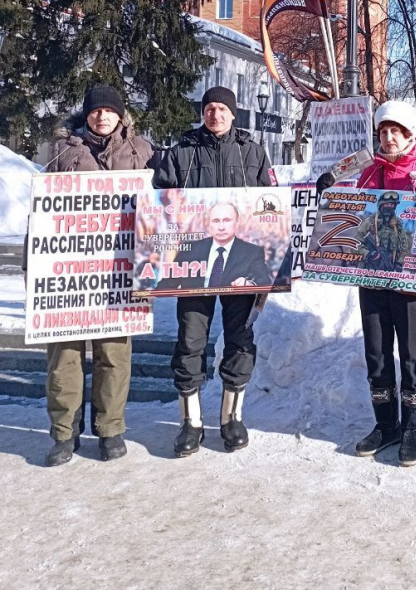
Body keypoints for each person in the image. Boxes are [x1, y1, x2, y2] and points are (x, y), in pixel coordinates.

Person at [316, 100, 416, 467]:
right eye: (382, 132)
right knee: (377, 353)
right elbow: (352, 213)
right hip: (371, 275)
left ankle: (412, 430)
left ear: (409, 134)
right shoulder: (368, 169)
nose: (387, 138)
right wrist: (332, 191)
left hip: (413, 278)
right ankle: (386, 425)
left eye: (394, 132)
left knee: (413, 356)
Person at [150, 87, 273, 457]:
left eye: (222, 109)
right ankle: (192, 422)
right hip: (192, 261)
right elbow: (158, 204)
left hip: (241, 263)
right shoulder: (182, 153)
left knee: (239, 339)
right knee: (190, 341)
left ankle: (231, 418)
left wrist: (271, 265)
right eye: (209, 108)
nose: (215, 114)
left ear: (234, 114)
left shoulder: (252, 152)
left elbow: (271, 206)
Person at [43, 84, 153, 466]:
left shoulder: (141, 151)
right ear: (86, 114)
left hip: (120, 272)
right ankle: (63, 432)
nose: (102, 116)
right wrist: (35, 265)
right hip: (71, 272)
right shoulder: (62, 151)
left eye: (109, 111)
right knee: (65, 354)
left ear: (120, 115)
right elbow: (41, 214)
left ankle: (110, 429)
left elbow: (156, 208)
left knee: (114, 354)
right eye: (95, 111)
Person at [156, 202, 270, 292]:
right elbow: (167, 284)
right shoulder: (190, 248)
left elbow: (264, 280)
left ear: (237, 222)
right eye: (216, 221)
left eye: (227, 220)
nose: (221, 227)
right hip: (195, 307)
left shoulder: (252, 252)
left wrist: (248, 284)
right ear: (208, 224)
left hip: (233, 306)